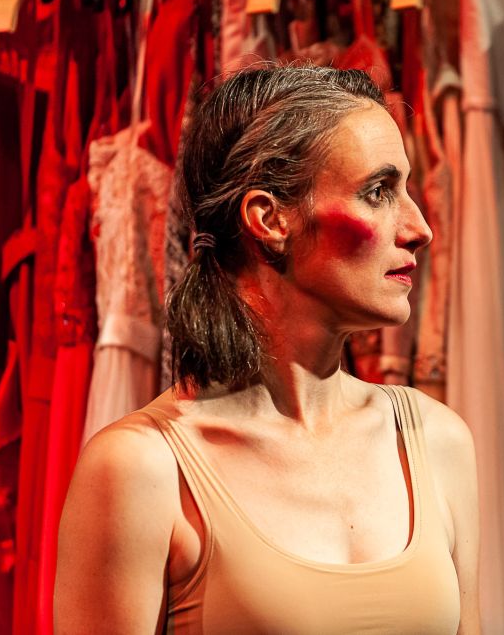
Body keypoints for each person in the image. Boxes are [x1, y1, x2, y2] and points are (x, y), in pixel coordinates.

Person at [54, 64, 480, 634]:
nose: (420, 227)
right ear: (269, 219)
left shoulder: (434, 440)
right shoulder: (143, 469)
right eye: (378, 192)